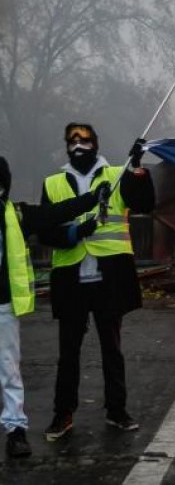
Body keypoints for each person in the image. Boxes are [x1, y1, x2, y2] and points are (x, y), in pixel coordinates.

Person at [40, 124, 154, 441]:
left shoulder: (117, 174)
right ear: (66, 146)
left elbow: (144, 204)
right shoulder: (52, 183)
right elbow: (46, 230)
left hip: (109, 276)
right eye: (72, 140)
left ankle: (117, 411)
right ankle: (63, 414)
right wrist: (76, 232)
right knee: (68, 352)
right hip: (71, 277)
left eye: (85, 139)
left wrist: (137, 169)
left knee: (112, 349)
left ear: (95, 143)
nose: (79, 144)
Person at [0, 156, 107, 457]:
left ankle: (15, 430)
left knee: (8, 371)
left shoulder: (17, 215)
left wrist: (90, 198)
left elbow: (56, 212)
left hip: (3, 306)